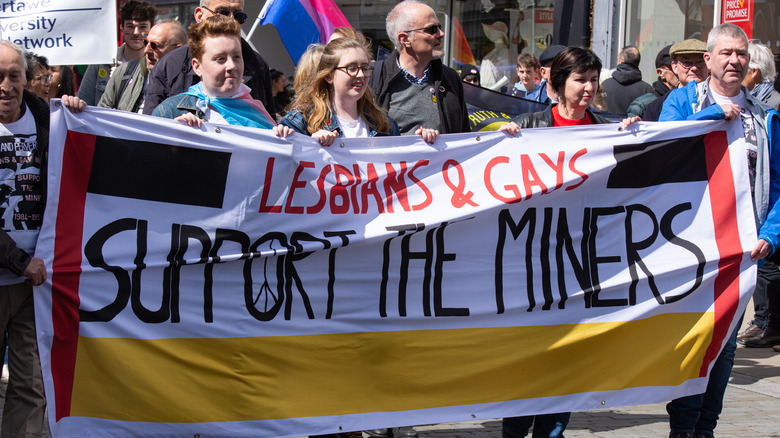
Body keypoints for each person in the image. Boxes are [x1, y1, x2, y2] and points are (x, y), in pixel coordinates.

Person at [497, 46, 639, 438]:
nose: (589, 88)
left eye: (593, 79)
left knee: (569, 359)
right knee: (530, 358)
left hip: (584, 265)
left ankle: (552, 431)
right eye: (581, 80)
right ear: (558, 84)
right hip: (535, 264)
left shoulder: (609, 126)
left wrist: (637, 135)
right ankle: (515, 428)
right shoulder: (529, 125)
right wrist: (504, 141)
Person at [659, 23, 780, 438]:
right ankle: (684, 428)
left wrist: (771, 232)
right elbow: (665, 153)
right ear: (707, 60)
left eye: (741, 53)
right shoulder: (680, 101)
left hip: (743, 249)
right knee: (695, 337)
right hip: (692, 245)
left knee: (726, 343)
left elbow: (778, 182)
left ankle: (704, 429)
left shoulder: (765, 118)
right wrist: (712, 115)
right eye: (726, 53)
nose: (734, 60)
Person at [0, 40, 85, 438]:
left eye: (14, 76)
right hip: (18, 270)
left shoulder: (48, 120)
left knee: (32, 386)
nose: (5, 85)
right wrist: (19, 260)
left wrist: (77, 118)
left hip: (37, 283)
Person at [151, 15, 289, 140]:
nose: (231, 66)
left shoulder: (255, 109)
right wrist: (176, 140)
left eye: (236, 57)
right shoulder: (169, 113)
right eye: (220, 59)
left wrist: (284, 140)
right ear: (197, 66)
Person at [143, 0, 275, 116]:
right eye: (222, 12)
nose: (231, 20)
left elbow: (267, 130)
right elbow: (151, 130)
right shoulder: (169, 65)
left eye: (239, 15)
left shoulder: (257, 65)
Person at [369, 0, 468, 136]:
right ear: (405, 39)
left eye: (440, 27)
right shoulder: (372, 77)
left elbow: (465, 138)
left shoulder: (450, 78)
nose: (441, 34)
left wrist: (499, 137)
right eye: (432, 29)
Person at [280, 37, 402, 145]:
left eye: (365, 68)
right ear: (329, 76)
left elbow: (399, 164)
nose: (361, 74)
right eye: (351, 68)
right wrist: (310, 146)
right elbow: (284, 164)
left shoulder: (384, 122)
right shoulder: (301, 122)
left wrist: (419, 145)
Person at [98, 20, 187, 113]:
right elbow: (102, 114)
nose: (146, 50)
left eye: (154, 45)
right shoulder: (123, 72)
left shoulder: (194, 82)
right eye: (146, 43)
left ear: (178, 50)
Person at [78, 0, 156, 106]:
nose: (136, 32)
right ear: (122, 29)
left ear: (151, 30)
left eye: (142, 27)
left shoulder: (156, 66)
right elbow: (84, 101)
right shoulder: (102, 61)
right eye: (130, 26)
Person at [642, 38, 708, 122]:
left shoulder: (719, 99)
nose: (694, 68)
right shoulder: (656, 107)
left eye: (700, 62)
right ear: (675, 67)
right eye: (687, 62)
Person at [626, 45, 678, 117]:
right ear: (660, 72)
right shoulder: (643, 105)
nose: (679, 71)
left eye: (684, 65)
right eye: (674, 67)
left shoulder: (690, 99)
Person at [601, 46, 653, 114]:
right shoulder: (647, 90)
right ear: (637, 63)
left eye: (617, 59)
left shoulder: (604, 85)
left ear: (620, 62)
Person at [742, 41, 780, 112]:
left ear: (754, 72)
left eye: (742, 69)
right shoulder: (743, 100)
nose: (738, 75)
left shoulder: (776, 104)